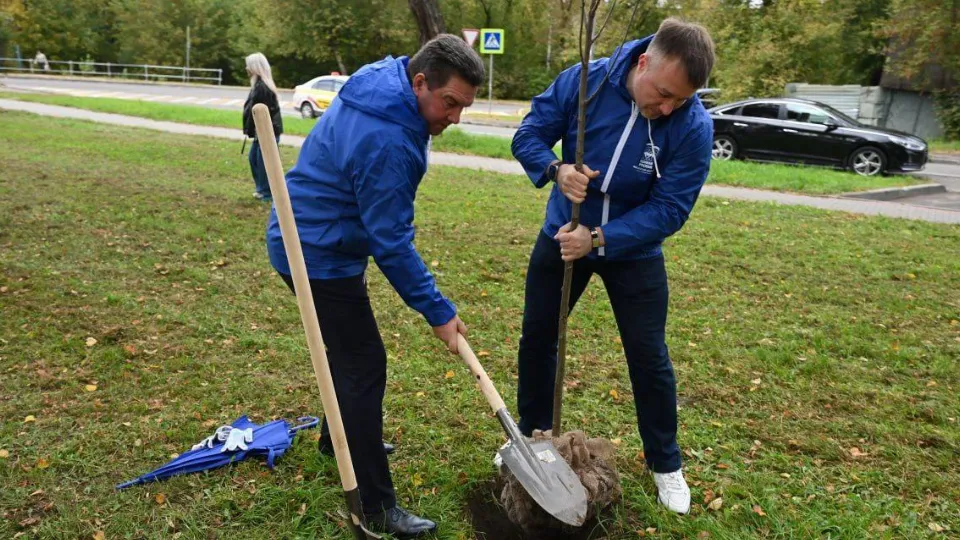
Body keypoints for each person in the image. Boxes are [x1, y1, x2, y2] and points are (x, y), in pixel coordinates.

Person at [265, 35, 484, 538]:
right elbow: (391, 241)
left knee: (346, 355)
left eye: (464, 107)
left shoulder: (383, 80)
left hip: (312, 233)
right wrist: (438, 310)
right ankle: (376, 503)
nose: (454, 118)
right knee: (363, 364)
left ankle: (334, 439)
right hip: (315, 254)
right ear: (420, 81)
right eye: (449, 103)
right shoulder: (389, 139)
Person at [510, 17, 716, 515]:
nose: (667, 107)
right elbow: (529, 133)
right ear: (643, 62)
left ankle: (666, 464)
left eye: (680, 100)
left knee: (648, 356)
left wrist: (600, 237)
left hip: (633, 251)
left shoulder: (693, 126)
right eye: (663, 93)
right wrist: (555, 169)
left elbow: (670, 209)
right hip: (562, 235)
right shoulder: (587, 81)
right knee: (539, 338)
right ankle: (532, 444)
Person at [242, 52, 283, 202]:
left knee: (264, 164)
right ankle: (262, 189)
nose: (247, 68)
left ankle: (267, 192)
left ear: (255, 67)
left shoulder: (262, 88)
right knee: (254, 159)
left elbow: (262, 113)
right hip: (261, 133)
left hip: (267, 132)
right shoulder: (258, 85)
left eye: (249, 64)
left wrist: (258, 131)